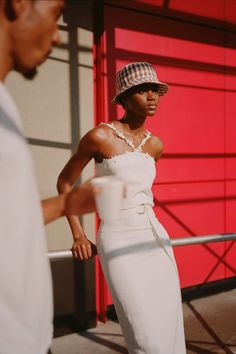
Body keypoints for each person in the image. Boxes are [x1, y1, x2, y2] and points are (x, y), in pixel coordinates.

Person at [57, 62, 186, 353]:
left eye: (155, 90)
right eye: (142, 90)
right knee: (143, 332)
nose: (152, 96)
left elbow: (138, 190)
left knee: (168, 323)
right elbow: (65, 183)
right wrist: (78, 234)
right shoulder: (99, 136)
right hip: (118, 238)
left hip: (154, 236)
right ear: (124, 98)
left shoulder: (156, 145)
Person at [0, 1, 97, 353]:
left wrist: (65, 204)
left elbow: (8, 220)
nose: (58, 37)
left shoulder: (6, 104)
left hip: (30, 334)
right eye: (56, 14)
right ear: (19, 4)